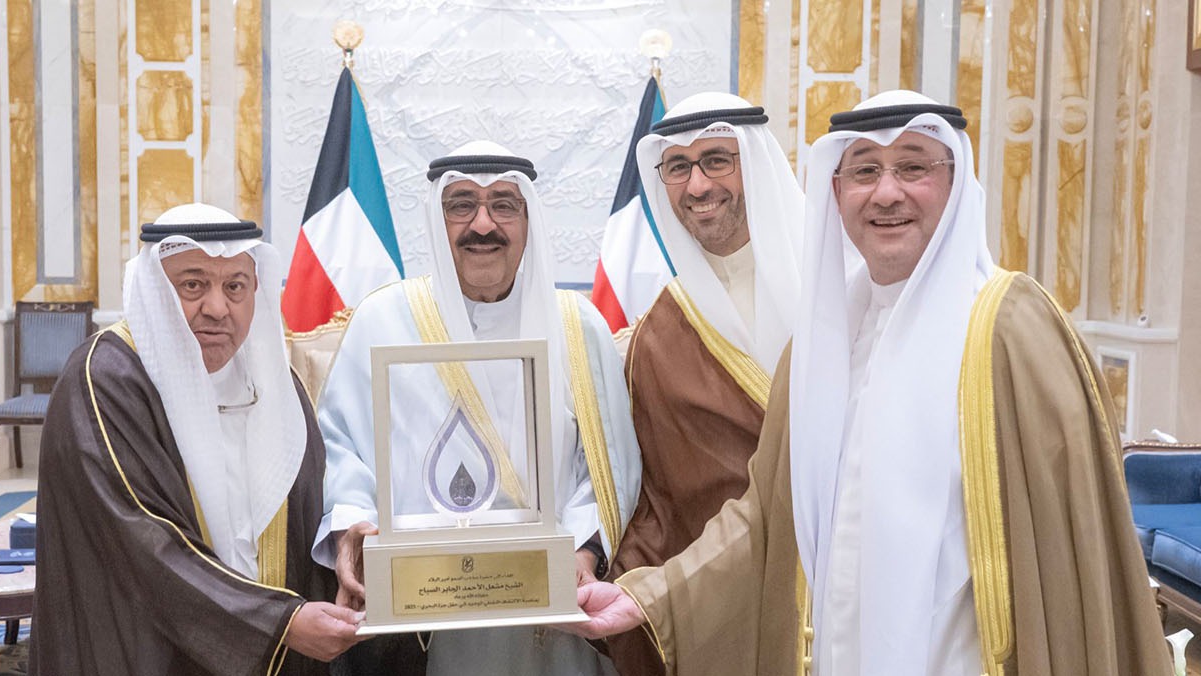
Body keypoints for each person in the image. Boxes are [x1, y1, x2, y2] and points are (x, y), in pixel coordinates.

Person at [565, 91, 1169, 675]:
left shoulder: (1011, 325)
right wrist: (645, 597)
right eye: (864, 171)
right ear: (837, 191)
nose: (886, 193)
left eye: (913, 167)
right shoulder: (821, 343)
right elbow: (767, 519)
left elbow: (1072, 545)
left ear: (955, 182)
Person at [314, 141, 642, 675]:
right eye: (461, 205)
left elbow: (610, 465)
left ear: (528, 220)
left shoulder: (578, 326)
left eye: (504, 205)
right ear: (436, 219)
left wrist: (582, 553)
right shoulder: (383, 320)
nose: (483, 224)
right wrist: (354, 522)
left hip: (553, 613)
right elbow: (340, 445)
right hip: (418, 616)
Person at [30, 203, 363, 676]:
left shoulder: (276, 383)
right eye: (192, 285)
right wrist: (277, 623)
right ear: (155, 291)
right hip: (148, 653)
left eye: (235, 286)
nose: (217, 308)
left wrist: (348, 540)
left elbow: (311, 506)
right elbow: (142, 543)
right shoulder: (105, 379)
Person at [607, 92, 803, 676]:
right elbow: (659, 502)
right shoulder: (659, 334)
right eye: (678, 167)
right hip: (726, 608)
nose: (697, 186)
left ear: (756, 163)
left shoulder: (847, 287)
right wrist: (622, 587)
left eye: (717, 160)